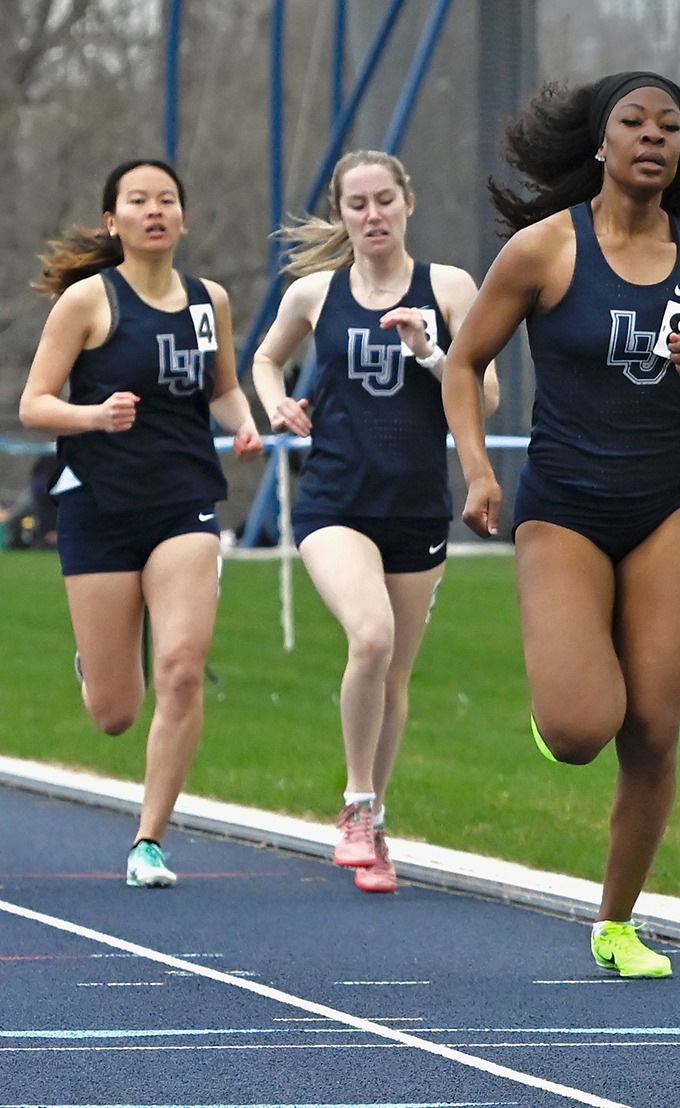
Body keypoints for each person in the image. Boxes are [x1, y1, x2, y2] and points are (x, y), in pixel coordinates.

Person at [443, 72, 680, 977]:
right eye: (634, 122)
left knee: (654, 730)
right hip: (564, 510)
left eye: (669, 127)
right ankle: (564, 701)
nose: (652, 138)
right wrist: (476, 469)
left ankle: (617, 923)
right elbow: (463, 364)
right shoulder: (545, 251)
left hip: (662, 506)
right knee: (588, 729)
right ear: (600, 143)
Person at [251, 151, 499, 894]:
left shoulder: (450, 287)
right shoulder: (314, 294)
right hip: (335, 501)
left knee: (393, 675)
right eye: (357, 204)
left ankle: (377, 821)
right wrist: (277, 404)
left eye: (384, 199)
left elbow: (482, 397)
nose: (372, 215)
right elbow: (263, 362)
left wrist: (429, 351)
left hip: (415, 506)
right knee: (371, 635)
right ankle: (357, 804)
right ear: (341, 213)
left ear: (408, 202)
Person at [18, 159, 264, 887]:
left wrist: (245, 424)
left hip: (183, 502)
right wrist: (94, 415)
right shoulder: (88, 302)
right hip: (98, 503)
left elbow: (222, 388)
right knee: (115, 713)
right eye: (137, 200)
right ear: (112, 220)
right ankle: (98, 666)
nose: (154, 210)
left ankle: (148, 842)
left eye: (166, 200)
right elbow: (35, 403)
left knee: (183, 670)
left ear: (183, 218)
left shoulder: (206, 301)